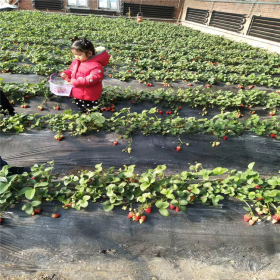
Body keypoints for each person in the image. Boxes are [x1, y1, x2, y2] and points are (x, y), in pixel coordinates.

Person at [60, 37, 111, 113]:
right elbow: (71, 70)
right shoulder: (77, 61)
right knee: (81, 106)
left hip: (90, 94)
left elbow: (94, 78)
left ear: (90, 53)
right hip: (78, 91)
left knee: (92, 109)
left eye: (79, 55)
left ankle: (95, 120)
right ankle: (86, 117)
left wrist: (76, 82)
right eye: (75, 55)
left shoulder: (96, 65)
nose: (76, 57)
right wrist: (66, 73)